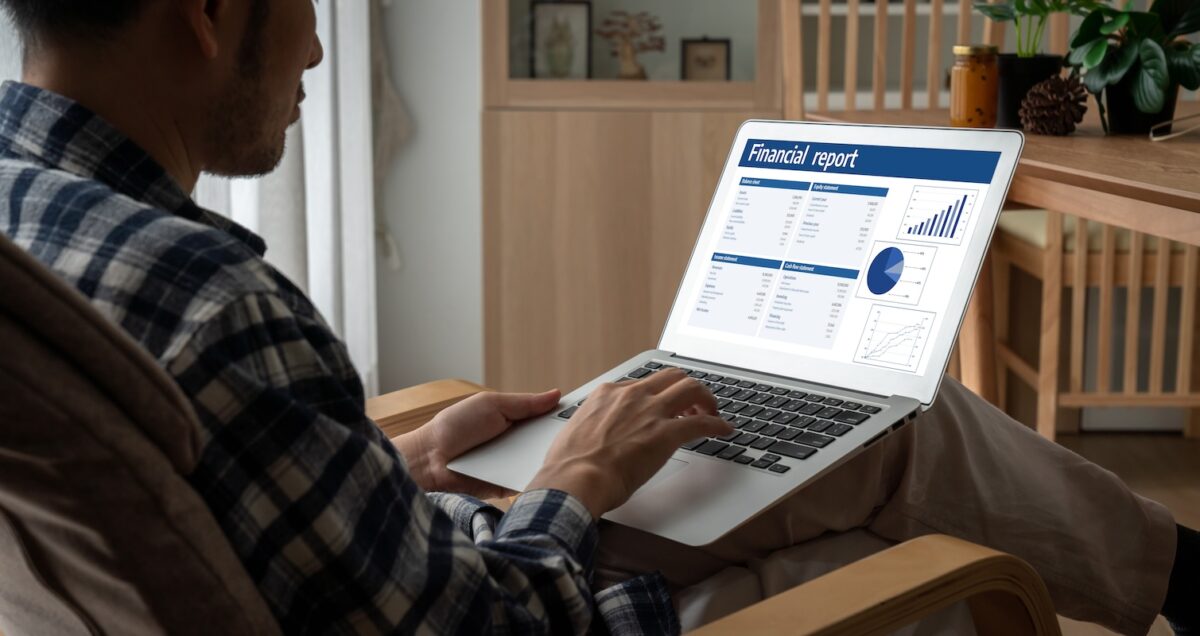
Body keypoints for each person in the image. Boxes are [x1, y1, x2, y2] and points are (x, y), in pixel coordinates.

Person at [0, 1, 1194, 634]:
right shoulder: (222, 308)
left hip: (366, 571)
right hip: (516, 609)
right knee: (915, 552)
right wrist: (572, 485)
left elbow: (236, 484)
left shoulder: (30, 217)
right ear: (206, 9)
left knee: (890, 432)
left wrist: (386, 462)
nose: (317, 41)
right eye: (304, 1)